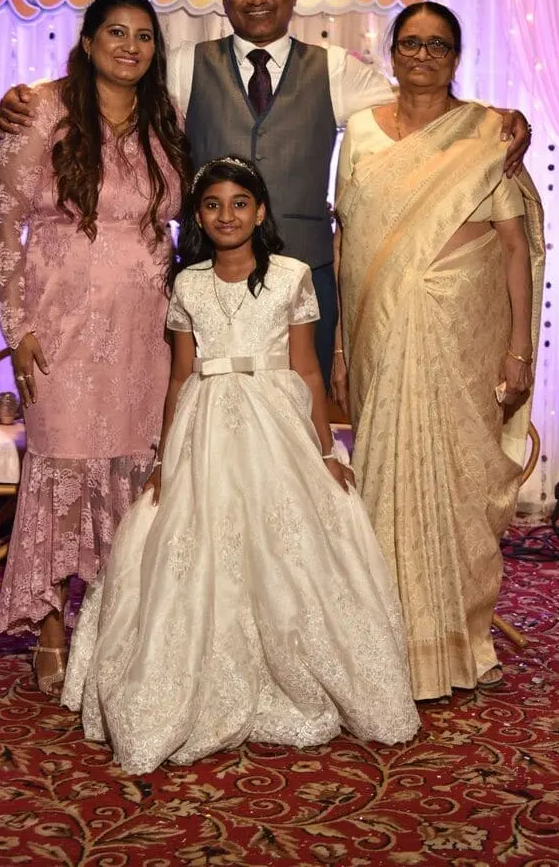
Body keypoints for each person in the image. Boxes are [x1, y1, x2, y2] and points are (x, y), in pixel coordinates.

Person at [0, 0, 531, 389]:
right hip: (208, 284)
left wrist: (497, 117)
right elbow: (115, 83)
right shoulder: (184, 66)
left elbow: (420, 101)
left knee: (302, 426)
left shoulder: (336, 70)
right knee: (213, 429)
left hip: (307, 285)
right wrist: (33, 97)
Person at [60, 156, 420, 772]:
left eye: (239, 203)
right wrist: (165, 457)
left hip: (275, 421)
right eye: (212, 205)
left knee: (290, 541)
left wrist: (324, 450)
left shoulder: (291, 275)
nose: (226, 215)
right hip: (205, 425)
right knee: (193, 540)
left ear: (259, 212)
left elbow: (307, 370)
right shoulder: (189, 284)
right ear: (198, 217)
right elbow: (180, 378)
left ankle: (303, 674)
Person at [331, 2, 545, 701]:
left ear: (456, 56)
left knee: (457, 481)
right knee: (386, 472)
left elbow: (512, 247)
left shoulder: (487, 131)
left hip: (463, 331)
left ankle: (462, 645)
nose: (423, 55)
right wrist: (341, 344)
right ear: (392, 52)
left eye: (438, 45)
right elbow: (347, 239)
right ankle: (386, 646)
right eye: (411, 43)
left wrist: (519, 351)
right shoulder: (361, 130)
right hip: (381, 328)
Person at [0, 0, 190, 694]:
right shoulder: (41, 109)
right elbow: (2, 221)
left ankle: (113, 626)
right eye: (116, 33)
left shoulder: (166, 117)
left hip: (144, 331)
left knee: (133, 468)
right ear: (88, 41)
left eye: (143, 36)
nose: (130, 47)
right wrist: (17, 327)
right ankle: (50, 631)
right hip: (61, 326)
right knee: (62, 468)